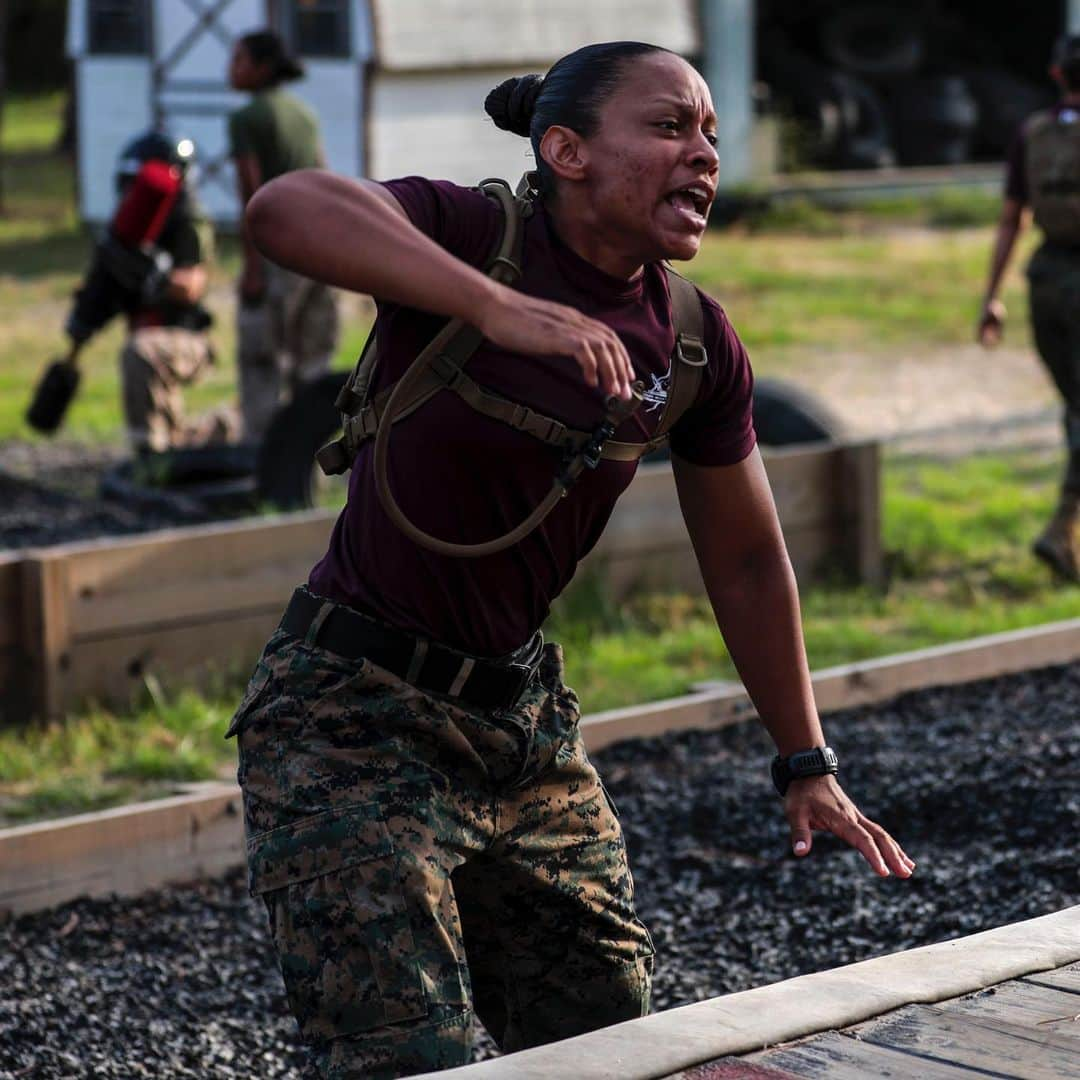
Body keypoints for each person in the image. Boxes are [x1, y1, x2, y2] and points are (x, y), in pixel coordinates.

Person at [226, 41, 914, 1079]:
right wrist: (490, 306)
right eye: (672, 127)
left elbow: (747, 560)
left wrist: (805, 761)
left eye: (714, 136)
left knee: (612, 1039)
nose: (706, 157)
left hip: (520, 727)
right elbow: (285, 205)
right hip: (349, 719)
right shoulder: (478, 240)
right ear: (567, 149)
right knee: (409, 1056)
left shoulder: (691, 341)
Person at [979, 33, 1080, 581]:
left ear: (1058, 74)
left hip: (1046, 280)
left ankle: (1070, 540)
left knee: (1075, 405)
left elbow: (1011, 218)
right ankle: (1062, 531)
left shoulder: (1033, 134)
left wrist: (992, 296)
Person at [62, 131, 223, 453]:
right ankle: (213, 436)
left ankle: (149, 457)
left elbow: (191, 287)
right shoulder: (127, 232)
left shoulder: (190, 222)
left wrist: (154, 273)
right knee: (176, 436)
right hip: (149, 335)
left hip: (187, 339)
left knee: (140, 352)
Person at [227, 29, 340, 442]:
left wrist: (253, 266)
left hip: (278, 252)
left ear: (261, 69)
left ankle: (262, 456)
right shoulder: (304, 115)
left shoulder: (248, 118)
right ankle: (312, 454)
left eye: (238, 59)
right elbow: (326, 181)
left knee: (263, 358)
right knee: (313, 360)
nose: (231, 68)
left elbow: (252, 199)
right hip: (320, 253)